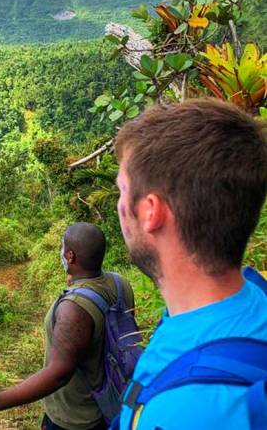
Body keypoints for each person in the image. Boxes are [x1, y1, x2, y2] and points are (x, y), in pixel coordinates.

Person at [114, 98, 267, 429]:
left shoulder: (190, 411)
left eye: (123, 192)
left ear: (151, 212)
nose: (119, 206)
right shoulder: (252, 293)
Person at [0, 222, 135, 430]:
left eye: (63, 248)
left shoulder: (73, 308)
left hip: (74, 419)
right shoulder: (120, 284)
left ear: (71, 256)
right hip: (113, 404)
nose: (61, 252)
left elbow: (58, 374)